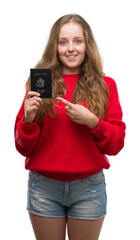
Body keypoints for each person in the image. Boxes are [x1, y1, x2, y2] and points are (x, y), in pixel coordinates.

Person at [14, 14, 126, 240]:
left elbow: (116, 144)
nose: (70, 48)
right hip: (44, 187)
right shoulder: (40, 83)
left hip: (89, 187)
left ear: (87, 45)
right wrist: (28, 118)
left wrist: (93, 122)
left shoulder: (105, 85)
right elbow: (23, 148)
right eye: (63, 42)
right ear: (54, 46)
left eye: (78, 41)